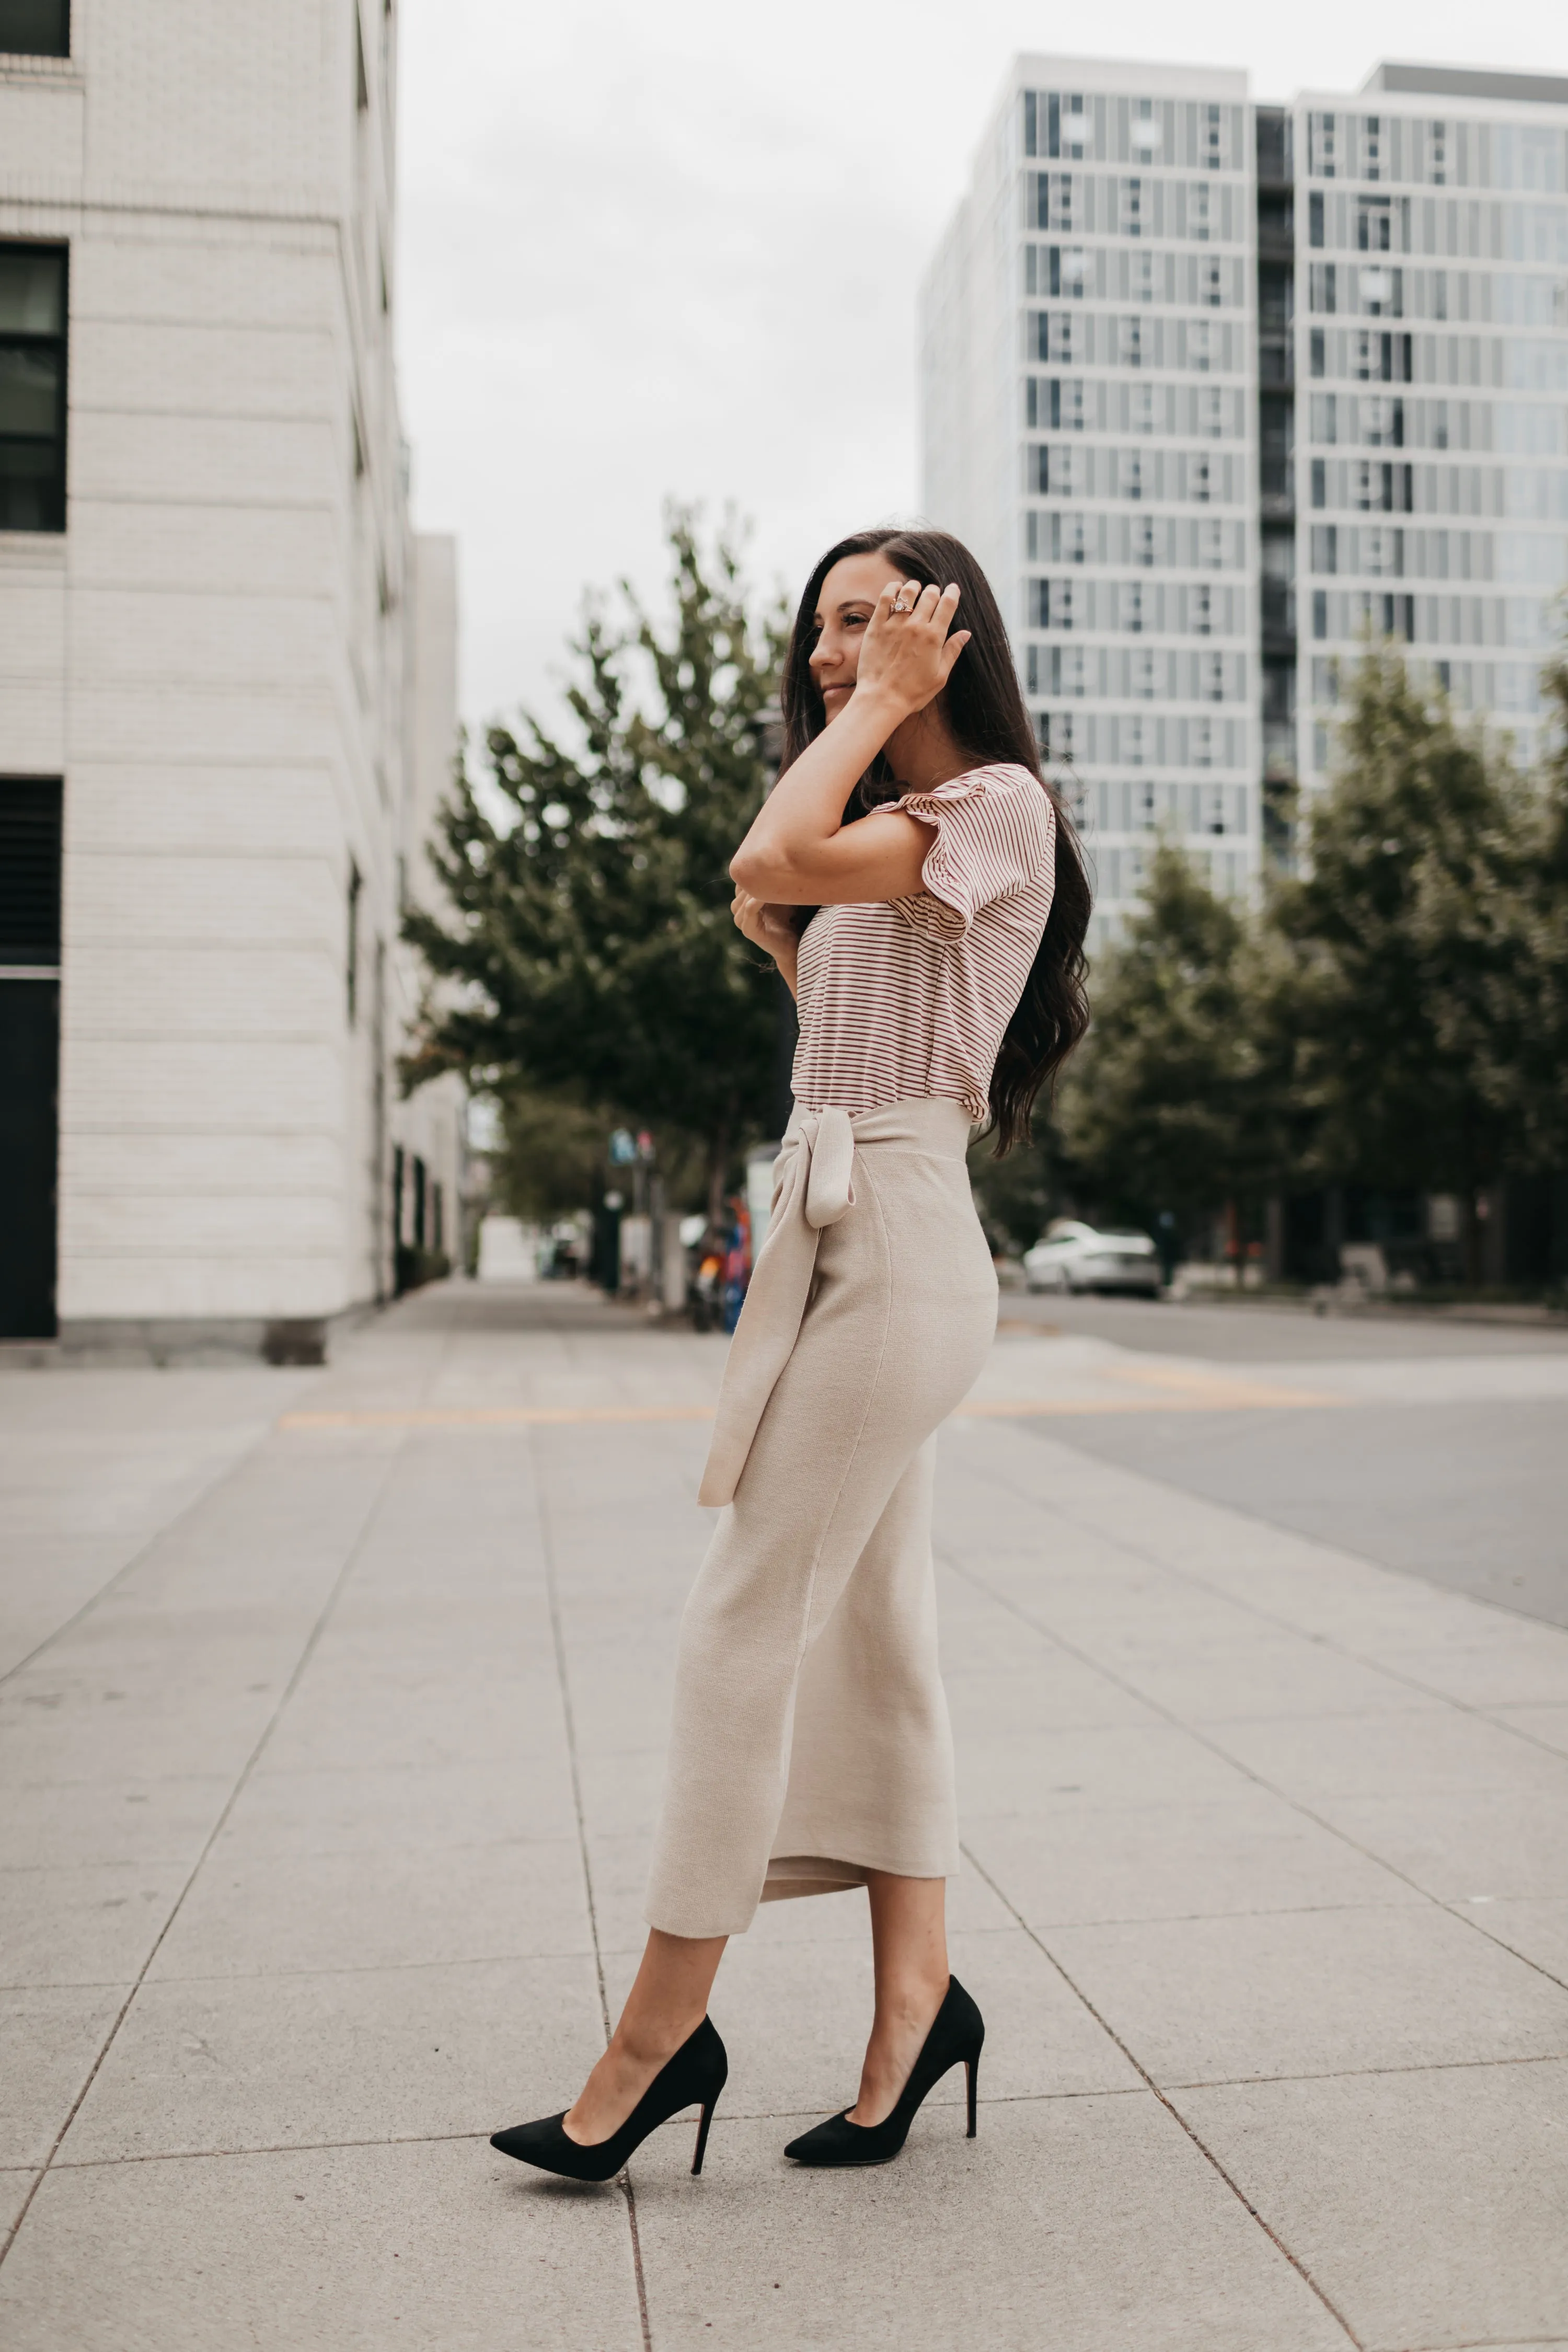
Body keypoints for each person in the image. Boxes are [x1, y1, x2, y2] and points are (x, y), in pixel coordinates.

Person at [491, 526, 1091, 2182]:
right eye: (817, 625)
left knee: (738, 1624)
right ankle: (920, 2008)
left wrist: (885, 707)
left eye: (867, 618)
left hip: (896, 1249)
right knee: (880, 1638)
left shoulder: (995, 809)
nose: (831, 648)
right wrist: (802, 900)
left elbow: (770, 845)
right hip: (842, 1238)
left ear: (945, 631)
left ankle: (654, 2043)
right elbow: (778, 882)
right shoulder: (894, 826)